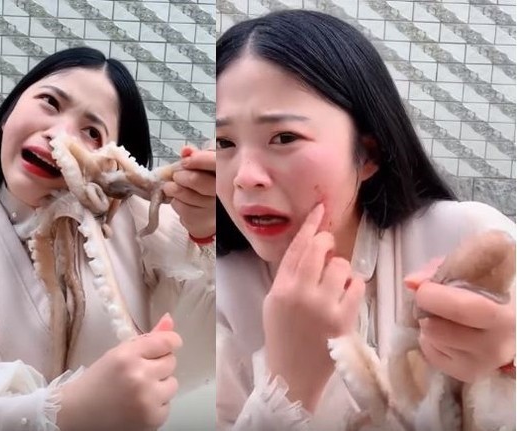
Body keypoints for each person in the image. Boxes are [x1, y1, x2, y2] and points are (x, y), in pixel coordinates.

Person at [215, 10, 515, 430]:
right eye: (224, 142)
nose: (245, 177)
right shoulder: (220, 290)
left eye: (284, 137)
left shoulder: (468, 239)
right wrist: (287, 385)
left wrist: (508, 359)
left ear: (368, 154)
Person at [0, 47, 216, 430]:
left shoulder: (136, 220)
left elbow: (218, 328)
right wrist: (67, 409)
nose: (59, 135)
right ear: (8, 113)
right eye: (50, 102)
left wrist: (206, 227)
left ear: (110, 161)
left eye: (92, 132)